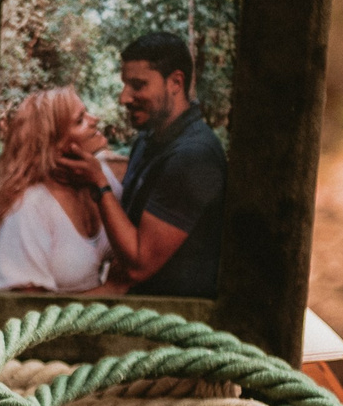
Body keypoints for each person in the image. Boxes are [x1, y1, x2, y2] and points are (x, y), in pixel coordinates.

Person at [58, 30, 225, 298]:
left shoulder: (193, 156)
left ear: (176, 82)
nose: (124, 98)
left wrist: (99, 183)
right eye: (125, 84)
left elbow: (138, 266)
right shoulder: (148, 139)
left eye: (138, 85)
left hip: (173, 313)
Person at [0, 88, 111, 293]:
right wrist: (113, 288)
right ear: (54, 145)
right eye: (80, 120)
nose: (95, 120)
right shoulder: (27, 206)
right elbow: (27, 307)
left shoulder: (95, 178)